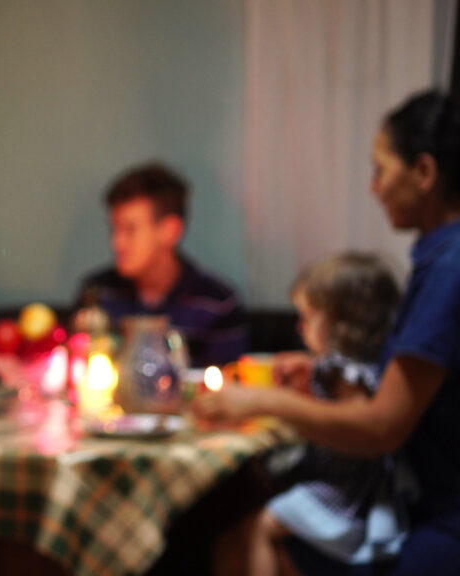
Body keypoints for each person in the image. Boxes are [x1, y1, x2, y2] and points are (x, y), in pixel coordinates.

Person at [193, 89, 460, 574]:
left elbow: (381, 427)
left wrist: (261, 402)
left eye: (381, 169)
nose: (373, 187)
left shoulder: (449, 268)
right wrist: (318, 368)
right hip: (421, 502)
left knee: (243, 544)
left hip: (438, 518)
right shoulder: (438, 258)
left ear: (424, 173)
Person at [215, 253, 406, 575]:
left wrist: (274, 399)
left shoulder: (344, 370)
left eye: (307, 317)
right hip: (349, 494)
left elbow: (356, 421)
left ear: (342, 322)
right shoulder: (360, 366)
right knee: (234, 538)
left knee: (260, 526)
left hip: (347, 499)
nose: (299, 327)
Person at [75, 162, 247, 367]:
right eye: (115, 229)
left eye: (130, 229)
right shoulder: (98, 293)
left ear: (170, 231)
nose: (116, 242)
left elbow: (229, 387)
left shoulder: (216, 304)